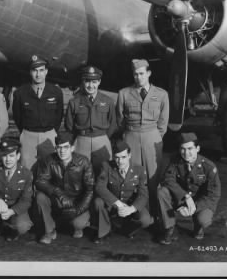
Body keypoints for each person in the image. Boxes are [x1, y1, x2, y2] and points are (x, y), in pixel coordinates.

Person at [116, 59, 169, 214]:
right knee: (132, 175)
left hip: (152, 138)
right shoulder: (124, 93)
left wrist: (154, 136)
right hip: (131, 136)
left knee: (153, 176)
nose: (138, 77)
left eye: (141, 74)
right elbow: (120, 120)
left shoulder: (161, 94)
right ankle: (136, 214)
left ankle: (156, 212)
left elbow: (163, 122)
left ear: (149, 73)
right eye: (135, 74)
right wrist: (128, 135)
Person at [157, 133, 221, 244]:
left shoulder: (209, 167)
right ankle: (169, 227)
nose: (186, 153)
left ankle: (198, 227)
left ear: (198, 148)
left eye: (190, 148)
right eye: (182, 149)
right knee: (162, 192)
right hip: (182, 197)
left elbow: (213, 195)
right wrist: (185, 197)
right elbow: (168, 179)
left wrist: (194, 207)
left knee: (204, 220)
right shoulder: (175, 160)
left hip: (200, 201)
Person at [35, 132, 94, 244]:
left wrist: (78, 210)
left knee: (78, 223)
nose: (62, 151)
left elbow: (90, 189)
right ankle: (49, 231)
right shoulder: (49, 160)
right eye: (59, 147)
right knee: (40, 196)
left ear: (72, 148)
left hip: (77, 202)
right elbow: (40, 181)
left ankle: (77, 227)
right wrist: (58, 193)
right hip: (58, 200)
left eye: (66, 147)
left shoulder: (84, 161)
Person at [93, 140, 153, 243]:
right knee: (98, 202)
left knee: (146, 220)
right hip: (112, 205)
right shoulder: (106, 166)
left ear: (129, 155)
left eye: (123, 157)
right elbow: (99, 187)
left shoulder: (139, 169)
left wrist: (131, 209)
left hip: (130, 205)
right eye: (117, 157)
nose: (120, 161)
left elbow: (143, 194)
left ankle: (126, 228)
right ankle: (104, 231)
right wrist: (118, 204)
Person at [12, 55, 64, 169]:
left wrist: (51, 132)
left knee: (51, 169)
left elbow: (59, 115)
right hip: (28, 136)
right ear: (30, 72)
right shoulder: (20, 92)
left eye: (41, 70)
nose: (38, 74)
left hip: (49, 135)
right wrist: (25, 132)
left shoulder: (56, 92)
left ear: (46, 72)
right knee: (27, 169)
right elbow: (17, 116)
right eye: (35, 70)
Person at [65, 66, 117, 171]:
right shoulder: (74, 102)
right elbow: (69, 126)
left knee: (103, 171)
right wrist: (78, 138)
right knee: (79, 172)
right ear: (83, 82)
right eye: (87, 81)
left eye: (94, 82)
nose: (90, 85)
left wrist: (104, 138)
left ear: (99, 82)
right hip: (81, 141)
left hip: (102, 140)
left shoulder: (108, 101)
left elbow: (113, 124)